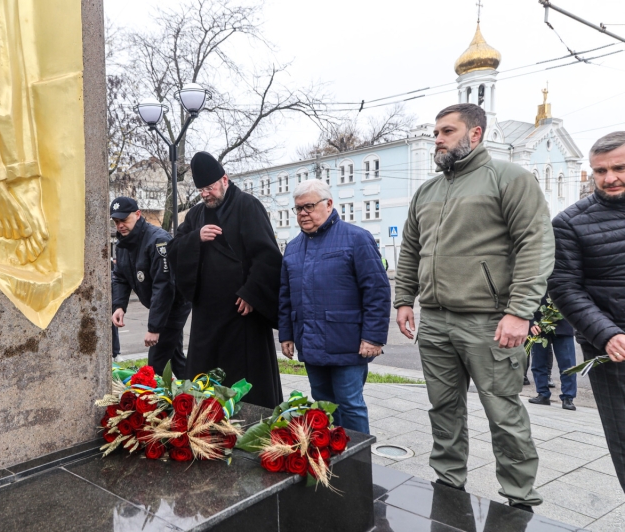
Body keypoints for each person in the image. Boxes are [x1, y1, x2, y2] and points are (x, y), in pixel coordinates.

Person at [394, 103, 554, 512]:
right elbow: (411, 249)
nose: (438, 139)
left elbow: (534, 244)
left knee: (503, 414)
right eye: (436, 132)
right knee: (443, 409)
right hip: (434, 322)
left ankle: (519, 501)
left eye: (447, 131)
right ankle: (449, 486)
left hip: (489, 322)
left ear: (475, 134)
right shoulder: (427, 191)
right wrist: (403, 300)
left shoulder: (508, 178)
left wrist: (520, 311)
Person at [167, 151, 283, 408]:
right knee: (205, 375)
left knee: (245, 376)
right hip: (207, 316)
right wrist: (195, 238)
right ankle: (204, 422)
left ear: (225, 180)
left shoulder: (248, 206)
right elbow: (173, 249)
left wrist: (252, 293)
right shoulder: (196, 216)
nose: (205, 194)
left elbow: (267, 256)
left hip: (242, 313)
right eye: (201, 190)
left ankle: (252, 420)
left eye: (209, 187)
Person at [278, 180, 391, 434]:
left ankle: (358, 464)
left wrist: (373, 337)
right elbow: (285, 295)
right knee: (322, 406)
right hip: (310, 343)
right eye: (298, 209)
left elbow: (377, 291)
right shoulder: (293, 248)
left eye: (308, 206)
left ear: (329, 204)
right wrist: (286, 334)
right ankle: (331, 456)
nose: (302, 213)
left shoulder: (357, 238)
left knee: (350, 405)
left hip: (348, 344)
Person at [548, 131, 625, 493]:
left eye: (619, 168)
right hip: (613, 352)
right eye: (600, 171)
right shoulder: (570, 222)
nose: (609, 178)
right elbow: (564, 287)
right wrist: (607, 333)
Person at [111, 197, 191, 378]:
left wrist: (154, 329)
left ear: (138, 215)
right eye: (116, 222)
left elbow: (164, 286)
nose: (120, 225)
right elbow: (120, 277)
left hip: (174, 305)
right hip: (161, 306)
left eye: (124, 220)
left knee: (155, 364)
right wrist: (119, 306)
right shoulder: (123, 243)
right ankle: (196, 396)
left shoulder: (158, 240)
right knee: (176, 358)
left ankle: (151, 401)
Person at [527, 294, 577, 410]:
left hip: (563, 323)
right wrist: (531, 321)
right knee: (538, 362)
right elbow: (527, 297)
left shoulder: (565, 276)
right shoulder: (535, 276)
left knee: (568, 363)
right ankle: (542, 394)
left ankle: (568, 397)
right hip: (539, 324)